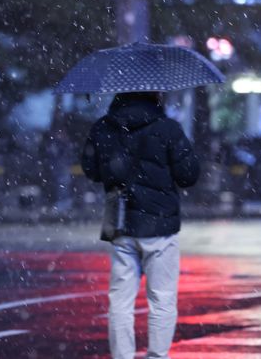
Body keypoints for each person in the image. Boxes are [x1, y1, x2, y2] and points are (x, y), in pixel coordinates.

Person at [81, 92, 199, 359]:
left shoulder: (102, 127)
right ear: (154, 94)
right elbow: (188, 175)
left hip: (121, 221)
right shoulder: (168, 128)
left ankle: (122, 355)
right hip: (161, 224)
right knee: (162, 298)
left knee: (120, 301)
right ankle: (157, 355)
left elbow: (91, 170)